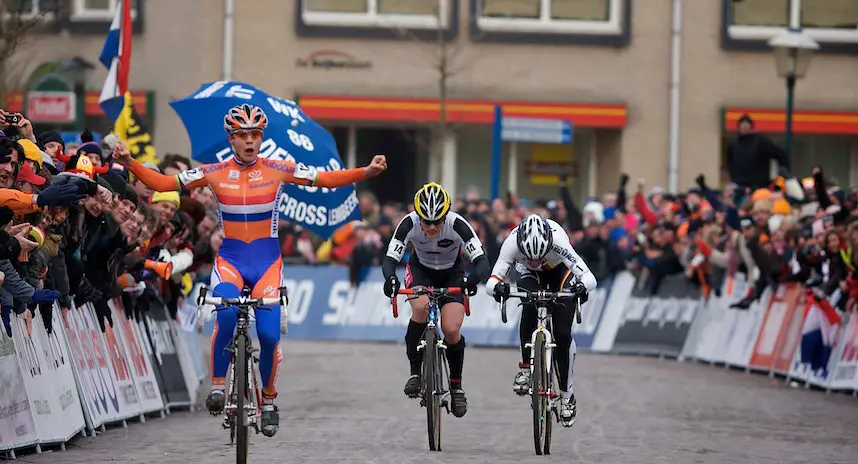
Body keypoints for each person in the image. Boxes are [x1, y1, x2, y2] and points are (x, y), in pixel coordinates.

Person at [114, 103, 386, 436]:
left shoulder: (278, 167)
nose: (249, 141)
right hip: (230, 260)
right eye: (242, 135)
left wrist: (365, 172)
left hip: (267, 263)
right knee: (226, 316)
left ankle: (268, 399)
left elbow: (325, 180)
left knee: (270, 335)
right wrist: (129, 163)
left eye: (255, 134)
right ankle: (217, 387)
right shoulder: (212, 171)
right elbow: (162, 182)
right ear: (231, 138)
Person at [381, 182, 491, 418]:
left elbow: (482, 261)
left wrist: (472, 279)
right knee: (420, 309)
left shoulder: (458, 224)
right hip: (421, 270)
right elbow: (390, 259)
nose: (431, 227)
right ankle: (415, 372)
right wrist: (390, 278)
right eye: (426, 221)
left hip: (452, 272)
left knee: (451, 329)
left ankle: (456, 386)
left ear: (445, 216)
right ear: (418, 216)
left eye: (436, 222)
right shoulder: (409, 223)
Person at [486, 214, 597, 427]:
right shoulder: (511, 243)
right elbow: (493, 281)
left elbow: (589, 278)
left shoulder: (559, 241)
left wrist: (581, 287)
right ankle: (526, 368)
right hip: (528, 275)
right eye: (529, 256)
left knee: (563, 334)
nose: (535, 261)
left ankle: (566, 395)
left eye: (539, 257)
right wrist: (498, 288)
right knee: (529, 305)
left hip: (560, 274)